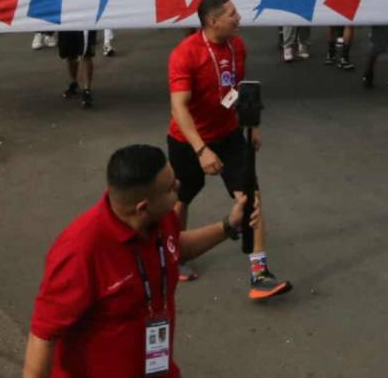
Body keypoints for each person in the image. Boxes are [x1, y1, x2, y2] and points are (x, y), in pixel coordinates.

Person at [23, 144, 256, 378]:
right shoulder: (80, 251)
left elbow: (175, 247)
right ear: (143, 207)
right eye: (170, 187)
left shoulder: (162, 218)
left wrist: (228, 226)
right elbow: (43, 336)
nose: (178, 185)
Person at [166, 0, 292, 298]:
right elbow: (178, 108)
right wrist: (201, 150)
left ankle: (259, 273)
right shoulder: (185, 54)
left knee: (251, 197)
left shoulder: (237, 46)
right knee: (181, 198)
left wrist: (253, 123)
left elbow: (238, 90)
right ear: (213, 21)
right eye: (232, 14)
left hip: (229, 135)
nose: (239, 18)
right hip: (188, 140)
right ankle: (173, 259)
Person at [58, 30, 97, 109]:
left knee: (86, 55)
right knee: (70, 55)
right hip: (66, 25)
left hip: (85, 26)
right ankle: (74, 83)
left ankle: (87, 90)